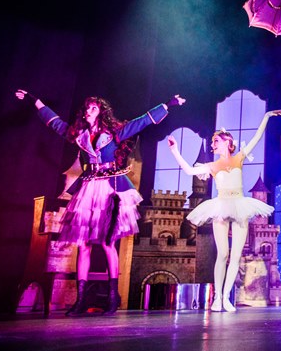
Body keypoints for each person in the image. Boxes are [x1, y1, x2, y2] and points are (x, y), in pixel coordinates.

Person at [15, 89, 186, 315]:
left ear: (101, 112)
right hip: (88, 188)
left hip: (109, 188)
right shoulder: (78, 134)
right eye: (87, 108)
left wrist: (167, 105)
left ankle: (113, 297)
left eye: (93, 108)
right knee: (83, 245)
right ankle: (81, 300)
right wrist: (34, 100)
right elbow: (55, 123)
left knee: (107, 242)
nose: (89, 110)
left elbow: (142, 121)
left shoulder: (115, 133)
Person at [167, 109, 281, 312]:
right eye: (213, 142)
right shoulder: (212, 165)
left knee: (235, 256)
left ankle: (227, 297)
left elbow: (257, 138)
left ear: (227, 143)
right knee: (222, 254)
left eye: (216, 141)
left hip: (239, 205)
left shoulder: (238, 158)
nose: (213, 145)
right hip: (221, 206)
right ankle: (218, 298)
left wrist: (265, 117)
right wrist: (175, 150)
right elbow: (189, 170)